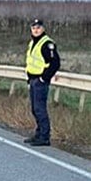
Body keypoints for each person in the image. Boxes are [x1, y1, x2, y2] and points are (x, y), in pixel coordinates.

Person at [24, 18, 60, 146]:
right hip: (33, 80)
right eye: (34, 28)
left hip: (40, 81)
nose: (36, 30)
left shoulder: (47, 44)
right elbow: (30, 63)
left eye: (38, 27)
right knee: (35, 109)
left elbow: (55, 63)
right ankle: (38, 134)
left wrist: (44, 78)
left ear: (43, 28)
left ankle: (44, 137)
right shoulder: (32, 43)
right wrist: (29, 79)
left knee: (40, 109)